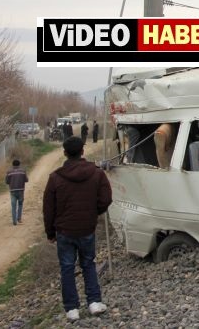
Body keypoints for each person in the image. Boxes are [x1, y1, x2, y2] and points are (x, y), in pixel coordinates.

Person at [43, 136, 112, 322]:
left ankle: (72, 309)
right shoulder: (97, 174)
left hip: (64, 231)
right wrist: (94, 213)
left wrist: (50, 232)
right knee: (88, 263)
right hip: (87, 228)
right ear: (83, 151)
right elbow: (106, 199)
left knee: (67, 268)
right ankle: (94, 302)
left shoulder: (55, 178)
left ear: (65, 153)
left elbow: (48, 208)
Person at [5, 159, 28, 225]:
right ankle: (19, 218)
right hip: (21, 190)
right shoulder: (23, 171)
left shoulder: (9, 172)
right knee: (20, 204)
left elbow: (7, 181)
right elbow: (26, 180)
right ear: (19, 164)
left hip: (12, 191)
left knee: (13, 206)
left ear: (12, 165)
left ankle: (14, 221)